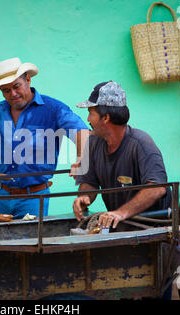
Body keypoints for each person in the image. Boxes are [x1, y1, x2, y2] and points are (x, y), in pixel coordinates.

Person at [0, 57, 89, 218]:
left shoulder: (53, 108)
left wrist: (81, 159)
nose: (13, 94)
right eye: (6, 91)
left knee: (31, 242)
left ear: (28, 79)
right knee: (1, 241)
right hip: (2, 196)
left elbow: (81, 131)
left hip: (35, 197)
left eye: (16, 87)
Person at [72, 81, 171, 230]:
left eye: (91, 113)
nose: (88, 120)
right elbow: (89, 182)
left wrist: (120, 213)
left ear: (105, 118)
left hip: (153, 229)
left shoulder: (141, 144)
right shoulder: (93, 143)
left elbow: (157, 188)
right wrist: (84, 198)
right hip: (121, 229)